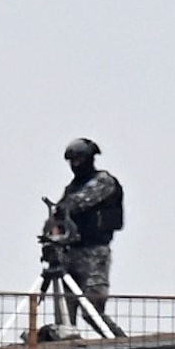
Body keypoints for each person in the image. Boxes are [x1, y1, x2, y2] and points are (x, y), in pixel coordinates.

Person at [40, 138, 125, 326]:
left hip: (94, 253)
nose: (75, 165)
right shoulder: (72, 187)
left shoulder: (103, 181)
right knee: (65, 315)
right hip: (71, 253)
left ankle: (118, 346)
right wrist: (51, 237)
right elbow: (60, 213)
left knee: (92, 311)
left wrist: (62, 211)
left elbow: (78, 203)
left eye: (78, 160)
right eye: (72, 162)